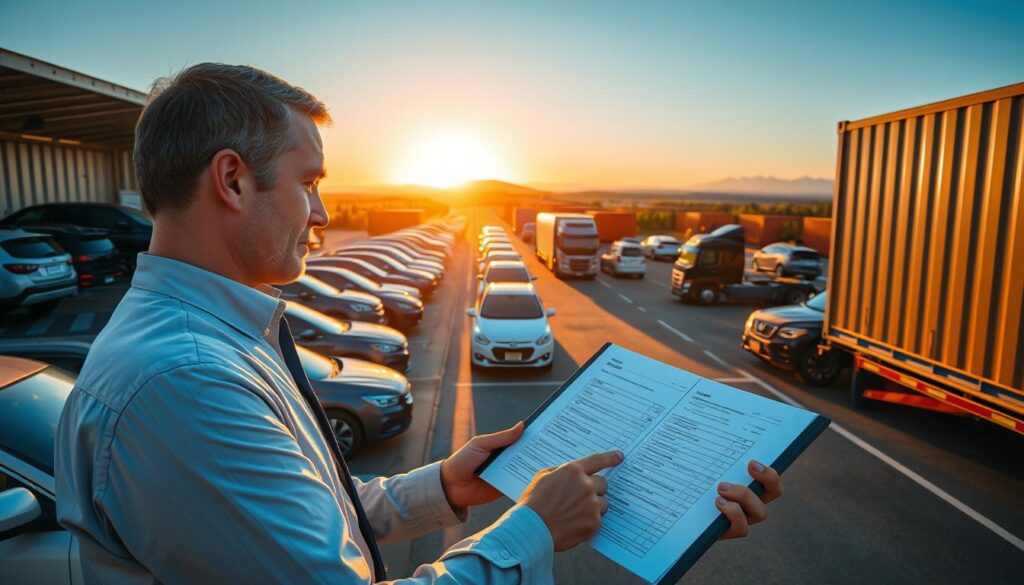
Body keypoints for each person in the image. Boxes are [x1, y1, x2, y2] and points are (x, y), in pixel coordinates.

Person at [54, 63, 783, 584]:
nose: (323, 214)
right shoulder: (185, 378)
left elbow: (308, 525)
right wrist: (533, 530)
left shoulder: (209, 339)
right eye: (309, 182)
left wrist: (449, 485)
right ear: (233, 180)